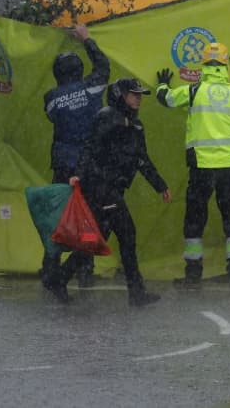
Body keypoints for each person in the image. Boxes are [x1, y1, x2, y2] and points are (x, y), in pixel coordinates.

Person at [54, 78, 171, 306]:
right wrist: (79, 173)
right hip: (101, 187)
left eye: (140, 95)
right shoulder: (107, 117)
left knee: (98, 239)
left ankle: (59, 277)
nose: (138, 99)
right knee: (127, 234)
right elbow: (90, 147)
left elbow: (142, 159)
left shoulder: (136, 125)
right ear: (120, 94)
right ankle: (136, 293)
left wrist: (160, 185)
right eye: (133, 94)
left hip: (113, 188)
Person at [155, 42, 230, 290]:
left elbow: (166, 99)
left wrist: (163, 84)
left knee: (195, 220)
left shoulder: (194, 91)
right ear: (227, 63)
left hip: (202, 168)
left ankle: (193, 274)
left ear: (204, 64)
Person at [41, 23, 110, 289]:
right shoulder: (93, 88)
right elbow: (103, 66)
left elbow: (51, 116)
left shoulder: (51, 98)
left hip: (63, 161)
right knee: (88, 216)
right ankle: (85, 267)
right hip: (90, 162)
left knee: (59, 215)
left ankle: (51, 265)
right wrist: (87, 39)